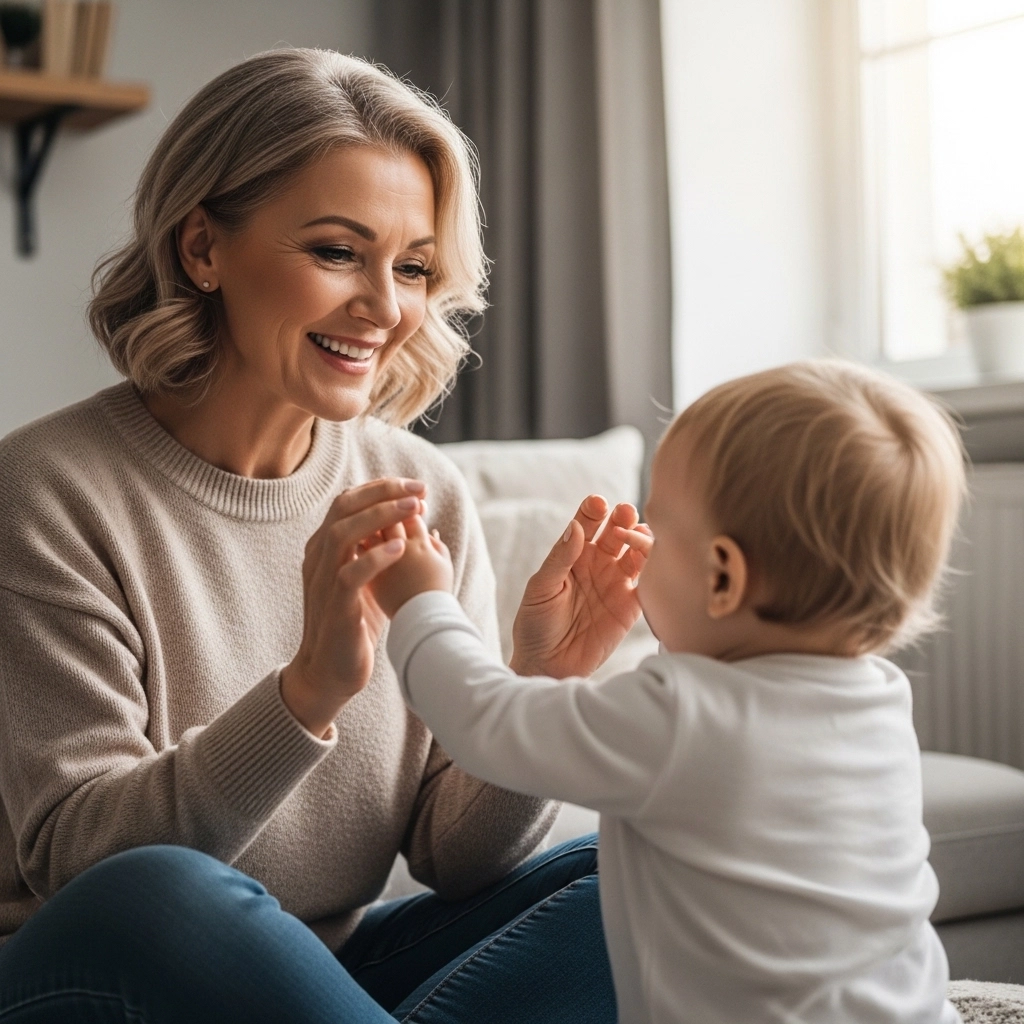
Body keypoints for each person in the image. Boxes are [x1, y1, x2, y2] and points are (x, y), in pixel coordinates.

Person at [0, 49, 636, 1023]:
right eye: (338, 252)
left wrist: (536, 685)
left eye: (414, 267)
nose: (385, 308)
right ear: (201, 249)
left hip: (319, 983)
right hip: (101, 972)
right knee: (163, 891)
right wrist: (308, 693)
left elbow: (451, 854)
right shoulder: (48, 491)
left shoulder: (422, 489)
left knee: (633, 871)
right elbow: (82, 865)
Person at [372, 361, 967, 1024]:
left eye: (658, 527)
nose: (644, 545)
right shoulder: (878, 698)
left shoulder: (678, 717)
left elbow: (486, 719)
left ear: (723, 578)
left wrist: (421, 603)